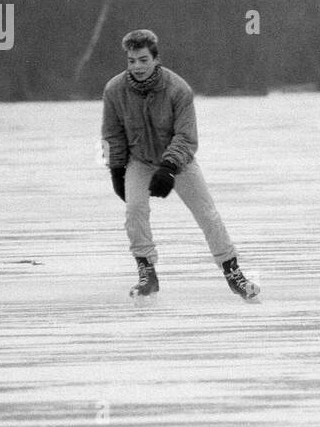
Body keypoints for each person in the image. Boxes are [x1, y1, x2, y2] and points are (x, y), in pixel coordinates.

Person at [101, 29, 260, 301]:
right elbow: (112, 134)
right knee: (134, 209)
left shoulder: (178, 89)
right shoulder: (115, 90)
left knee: (208, 215)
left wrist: (169, 167)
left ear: (155, 59)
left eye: (143, 60)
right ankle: (146, 273)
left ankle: (234, 273)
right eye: (131, 61)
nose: (137, 66)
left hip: (179, 162)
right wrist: (117, 170)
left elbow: (186, 137)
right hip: (139, 160)